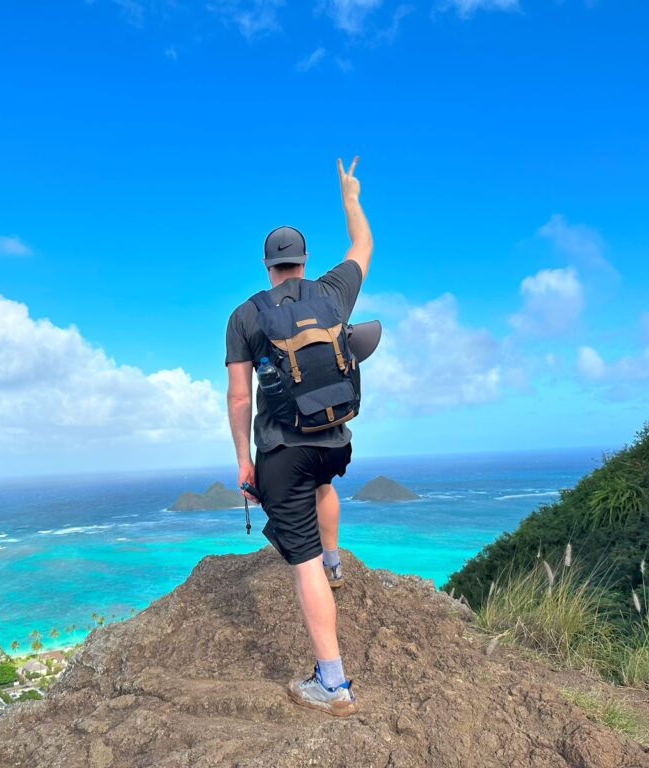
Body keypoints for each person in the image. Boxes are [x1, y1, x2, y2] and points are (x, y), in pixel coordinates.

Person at [224, 157, 372, 716]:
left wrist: (244, 462)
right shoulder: (334, 293)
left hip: (282, 450)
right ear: (303, 262)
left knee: (299, 558)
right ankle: (335, 563)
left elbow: (240, 397)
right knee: (323, 483)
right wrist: (350, 197)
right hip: (335, 439)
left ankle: (332, 684)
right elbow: (362, 246)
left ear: (268, 266)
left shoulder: (245, 316)